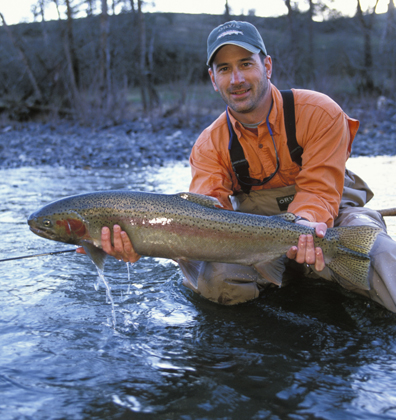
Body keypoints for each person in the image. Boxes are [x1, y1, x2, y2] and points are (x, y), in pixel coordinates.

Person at [83, 20, 396, 312]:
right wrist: (145, 241)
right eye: (224, 69)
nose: (237, 79)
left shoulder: (319, 112)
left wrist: (304, 229)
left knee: (378, 252)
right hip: (252, 236)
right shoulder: (209, 144)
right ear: (213, 79)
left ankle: (325, 275)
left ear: (267, 66)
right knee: (213, 278)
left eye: (246, 64)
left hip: (330, 220)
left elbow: (320, 192)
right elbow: (202, 219)